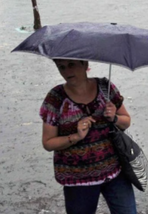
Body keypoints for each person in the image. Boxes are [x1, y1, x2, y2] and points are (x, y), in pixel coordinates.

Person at [40, 59, 137, 213]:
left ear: (84, 64)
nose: (67, 71)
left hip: (115, 172)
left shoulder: (106, 88)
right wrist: (76, 136)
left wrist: (114, 118)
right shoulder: (56, 98)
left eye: (71, 65)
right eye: (61, 67)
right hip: (77, 180)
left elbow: (126, 122)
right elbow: (48, 143)